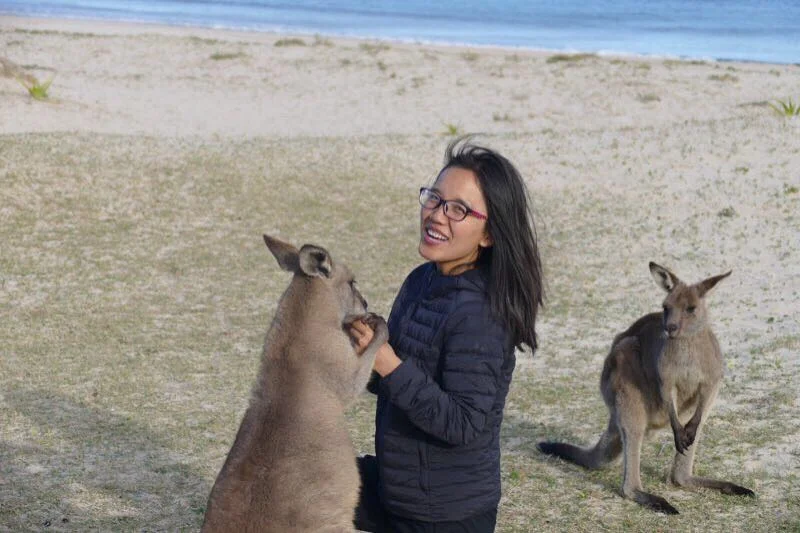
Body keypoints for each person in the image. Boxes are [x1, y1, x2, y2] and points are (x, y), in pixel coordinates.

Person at [348, 136, 544, 533]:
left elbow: (462, 422)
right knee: (289, 479)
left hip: (444, 515)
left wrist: (386, 361)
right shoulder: (421, 280)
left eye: (458, 209)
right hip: (397, 488)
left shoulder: (483, 314)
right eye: (434, 199)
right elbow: (402, 381)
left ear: (488, 235)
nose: (437, 215)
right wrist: (363, 354)